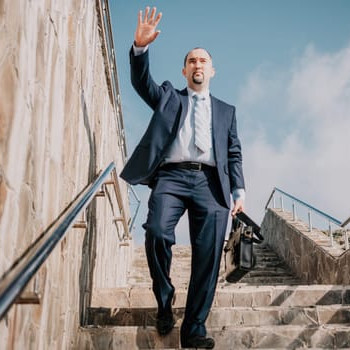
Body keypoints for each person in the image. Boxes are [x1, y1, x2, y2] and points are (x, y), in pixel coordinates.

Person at [119, 6, 245, 349]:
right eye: (192, 60)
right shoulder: (169, 96)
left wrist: (239, 190)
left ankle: (194, 331)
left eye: (203, 60)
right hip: (171, 179)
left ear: (212, 70)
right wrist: (140, 48)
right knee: (157, 232)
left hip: (211, 185)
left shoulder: (226, 112)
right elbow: (140, 82)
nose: (198, 64)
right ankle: (165, 298)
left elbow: (233, 152)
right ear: (184, 70)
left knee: (208, 256)